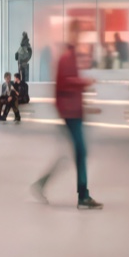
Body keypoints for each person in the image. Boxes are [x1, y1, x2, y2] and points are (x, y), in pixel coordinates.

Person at [32, 43, 103, 209]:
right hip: (70, 114)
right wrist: (84, 82)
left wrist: (87, 108)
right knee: (80, 152)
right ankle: (83, 196)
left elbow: (69, 87)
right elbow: (65, 83)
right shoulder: (66, 59)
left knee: (70, 154)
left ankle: (42, 184)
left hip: (73, 113)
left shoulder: (70, 60)